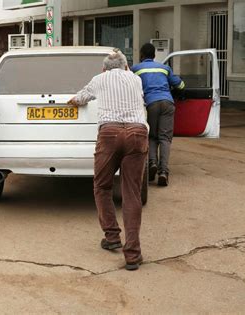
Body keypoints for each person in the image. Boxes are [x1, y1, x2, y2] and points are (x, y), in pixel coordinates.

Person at [68, 50, 147, 271]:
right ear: (125, 66)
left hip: (109, 133)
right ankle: (133, 253)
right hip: (137, 133)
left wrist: (70, 102)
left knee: (102, 186)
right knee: (132, 192)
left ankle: (112, 236)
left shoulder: (98, 79)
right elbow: (128, 75)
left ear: (103, 68)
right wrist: (125, 68)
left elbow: (79, 99)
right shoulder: (136, 79)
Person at [131, 43, 185, 186]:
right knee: (165, 138)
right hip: (168, 103)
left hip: (150, 104)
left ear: (142, 55)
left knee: (152, 136)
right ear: (154, 55)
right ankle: (163, 172)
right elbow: (180, 85)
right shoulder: (165, 68)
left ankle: (152, 163)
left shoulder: (135, 69)